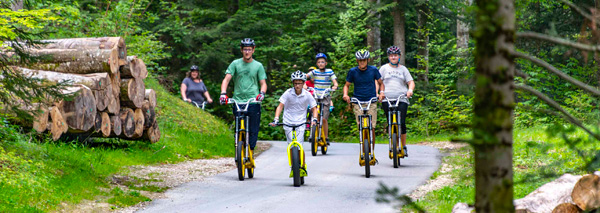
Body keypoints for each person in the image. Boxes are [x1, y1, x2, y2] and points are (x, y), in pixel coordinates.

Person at [220, 38, 268, 165]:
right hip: (238, 100)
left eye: (249, 49)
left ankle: (250, 151)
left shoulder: (258, 66)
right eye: (245, 49)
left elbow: (263, 83)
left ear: (253, 50)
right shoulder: (235, 64)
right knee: (238, 127)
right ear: (241, 50)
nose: (247, 52)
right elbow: (226, 80)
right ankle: (238, 148)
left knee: (253, 129)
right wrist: (223, 94)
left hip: (253, 101)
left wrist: (261, 94)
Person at [342, 49, 385, 154]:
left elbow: (381, 83)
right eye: (360, 60)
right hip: (358, 101)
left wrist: (382, 92)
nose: (362, 62)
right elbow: (347, 85)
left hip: (371, 100)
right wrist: (345, 95)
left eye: (364, 60)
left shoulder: (373, 70)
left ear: (368, 60)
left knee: (372, 127)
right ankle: (363, 149)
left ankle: (372, 152)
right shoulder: (353, 71)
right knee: (361, 127)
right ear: (357, 61)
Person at [379, 46, 415, 157]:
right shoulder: (384, 68)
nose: (393, 57)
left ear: (399, 56)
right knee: (390, 122)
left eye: (395, 55)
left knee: (402, 122)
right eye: (391, 55)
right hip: (387, 98)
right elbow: (378, 82)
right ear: (388, 57)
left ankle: (403, 146)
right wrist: (379, 92)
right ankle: (393, 145)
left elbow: (411, 82)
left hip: (401, 98)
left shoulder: (403, 69)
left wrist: (410, 90)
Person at [270, 71, 318, 144]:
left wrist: (314, 119)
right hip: (288, 121)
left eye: (299, 83)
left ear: (303, 83)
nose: (297, 85)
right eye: (295, 83)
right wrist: (276, 119)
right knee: (291, 144)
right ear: (293, 83)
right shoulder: (288, 93)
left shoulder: (307, 94)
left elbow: (314, 109)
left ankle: (300, 155)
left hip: (301, 122)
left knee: (299, 145)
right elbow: (280, 106)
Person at [307, 53, 338, 144]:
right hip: (316, 96)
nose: (321, 64)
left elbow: (334, 82)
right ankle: (312, 134)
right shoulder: (314, 72)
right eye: (319, 62)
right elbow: (305, 77)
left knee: (324, 118)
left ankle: (326, 137)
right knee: (314, 114)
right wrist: (303, 84)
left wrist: (335, 86)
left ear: (326, 63)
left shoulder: (329, 71)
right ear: (317, 64)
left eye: (322, 62)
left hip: (325, 96)